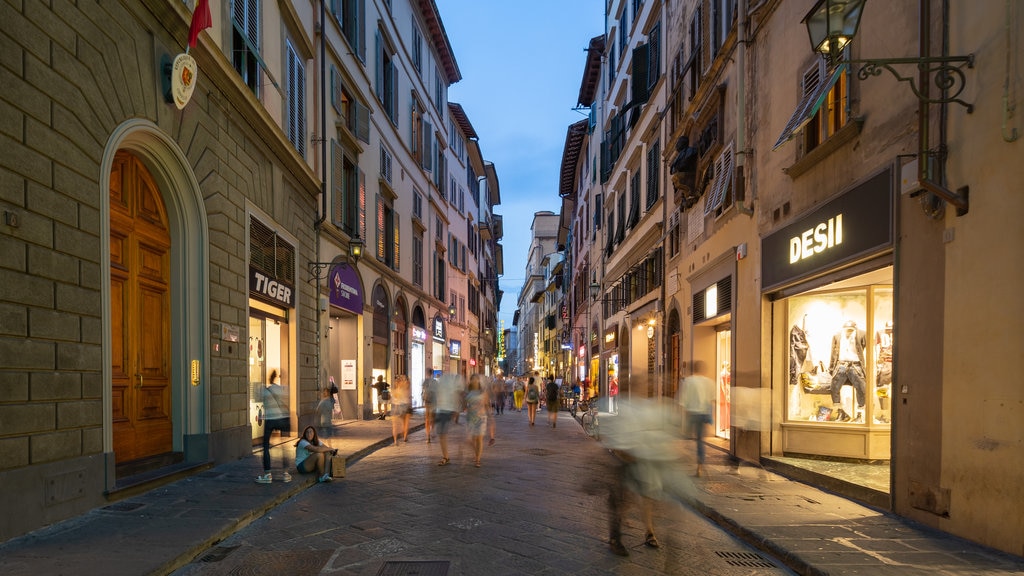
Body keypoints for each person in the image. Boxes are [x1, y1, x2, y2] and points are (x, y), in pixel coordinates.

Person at [256, 369, 292, 484]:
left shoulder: (265, 391)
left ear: (269, 379)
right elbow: (287, 401)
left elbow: (258, 398)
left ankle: (267, 475)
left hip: (270, 420)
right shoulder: (282, 390)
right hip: (282, 418)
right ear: (277, 378)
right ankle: (286, 474)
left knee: (266, 446)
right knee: (285, 446)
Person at [828, 320, 868, 422]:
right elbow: (833, 352)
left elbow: (869, 351)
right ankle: (841, 412)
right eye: (847, 330)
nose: (849, 331)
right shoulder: (837, 335)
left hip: (856, 365)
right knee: (834, 388)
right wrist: (831, 368)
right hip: (841, 364)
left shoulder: (862, 334)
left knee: (862, 390)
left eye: (851, 330)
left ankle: (860, 415)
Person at [681, 360, 715, 477]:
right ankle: (700, 465)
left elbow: (683, 400)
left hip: (692, 413)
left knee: (685, 437)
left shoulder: (689, 381)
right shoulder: (709, 382)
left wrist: (684, 416)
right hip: (704, 414)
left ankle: (685, 459)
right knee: (700, 440)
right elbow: (712, 400)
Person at [434, 373, 465, 465]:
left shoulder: (446, 385)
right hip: (443, 410)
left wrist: (456, 409)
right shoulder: (448, 385)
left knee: (442, 434)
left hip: (445, 410)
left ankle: (446, 456)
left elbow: (455, 396)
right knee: (442, 434)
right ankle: (446, 456)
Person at [464, 374, 490, 467]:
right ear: (470, 381)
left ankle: (478, 459)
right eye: (473, 380)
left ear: (479, 381)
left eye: (476, 379)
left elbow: (487, 405)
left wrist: (491, 417)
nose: (474, 381)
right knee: (471, 439)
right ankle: (476, 454)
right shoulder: (468, 391)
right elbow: (464, 405)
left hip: (481, 417)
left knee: (479, 438)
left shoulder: (483, 392)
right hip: (471, 418)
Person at [390, 374, 412, 445]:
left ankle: (395, 441)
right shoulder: (405, 390)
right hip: (404, 406)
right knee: (405, 423)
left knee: (395, 425)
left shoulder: (393, 391)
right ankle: (405, 436)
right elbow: (408, 384)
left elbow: (392, 400)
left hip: (395, 407)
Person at [422, 375, 438, 443]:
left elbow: (423, 391)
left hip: (427, 402)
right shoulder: (435, 382)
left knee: (427, 420)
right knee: (433, 418)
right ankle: (432, 430)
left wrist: (423, 398)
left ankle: (428, 437)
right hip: (433, 403)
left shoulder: (425, 381)